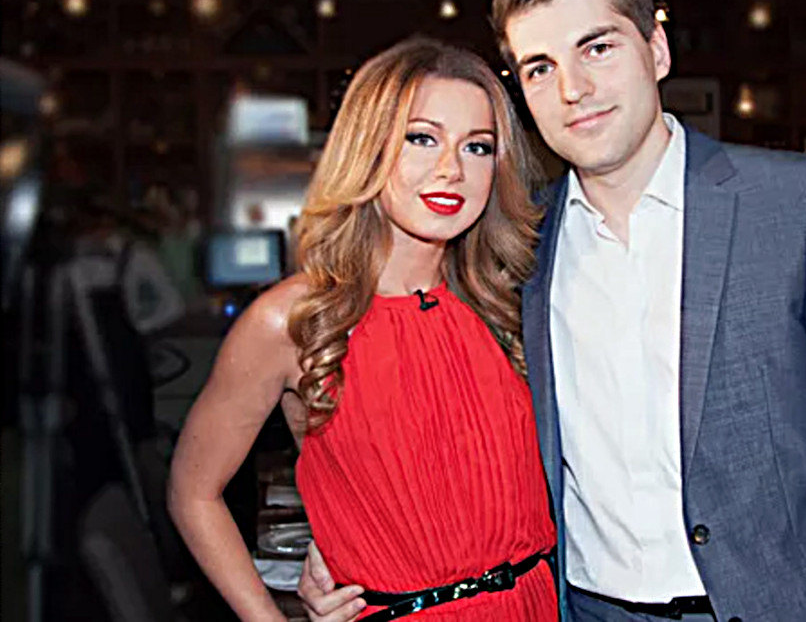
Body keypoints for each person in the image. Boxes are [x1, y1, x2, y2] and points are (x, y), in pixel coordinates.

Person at [301, 0, 806, 621]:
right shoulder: (514, 245)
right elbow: (423, 414)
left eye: (597, 47)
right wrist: (344, 532)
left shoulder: (792, 203)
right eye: (540, 67)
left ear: (656, 50)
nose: (572, 89)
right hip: (589, 609)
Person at [167, 38, 557, 622]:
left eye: (477, 146)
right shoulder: (292, 320)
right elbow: (193, 492)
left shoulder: (513, 301)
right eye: (421, 138)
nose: (451, 169)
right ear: (368, 146)